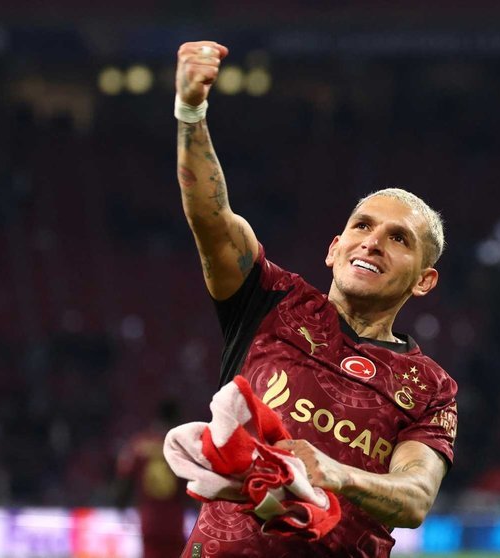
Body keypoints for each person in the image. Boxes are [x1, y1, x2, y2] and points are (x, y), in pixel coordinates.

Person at [173, 40, 458, 557]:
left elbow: (416, 497)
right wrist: (191, 112)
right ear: (334, 248)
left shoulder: (430, 387)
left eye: (398, 238)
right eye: (362, 226)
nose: (372, 241)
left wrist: (335, 473)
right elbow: (211, 220)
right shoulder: (272, 303)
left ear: (424, 281)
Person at [116, 400, 187, 558]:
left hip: (149, 519)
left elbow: (125, 480)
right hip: (174, 520)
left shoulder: (139, 445)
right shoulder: (181, 445)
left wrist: (121, 506)